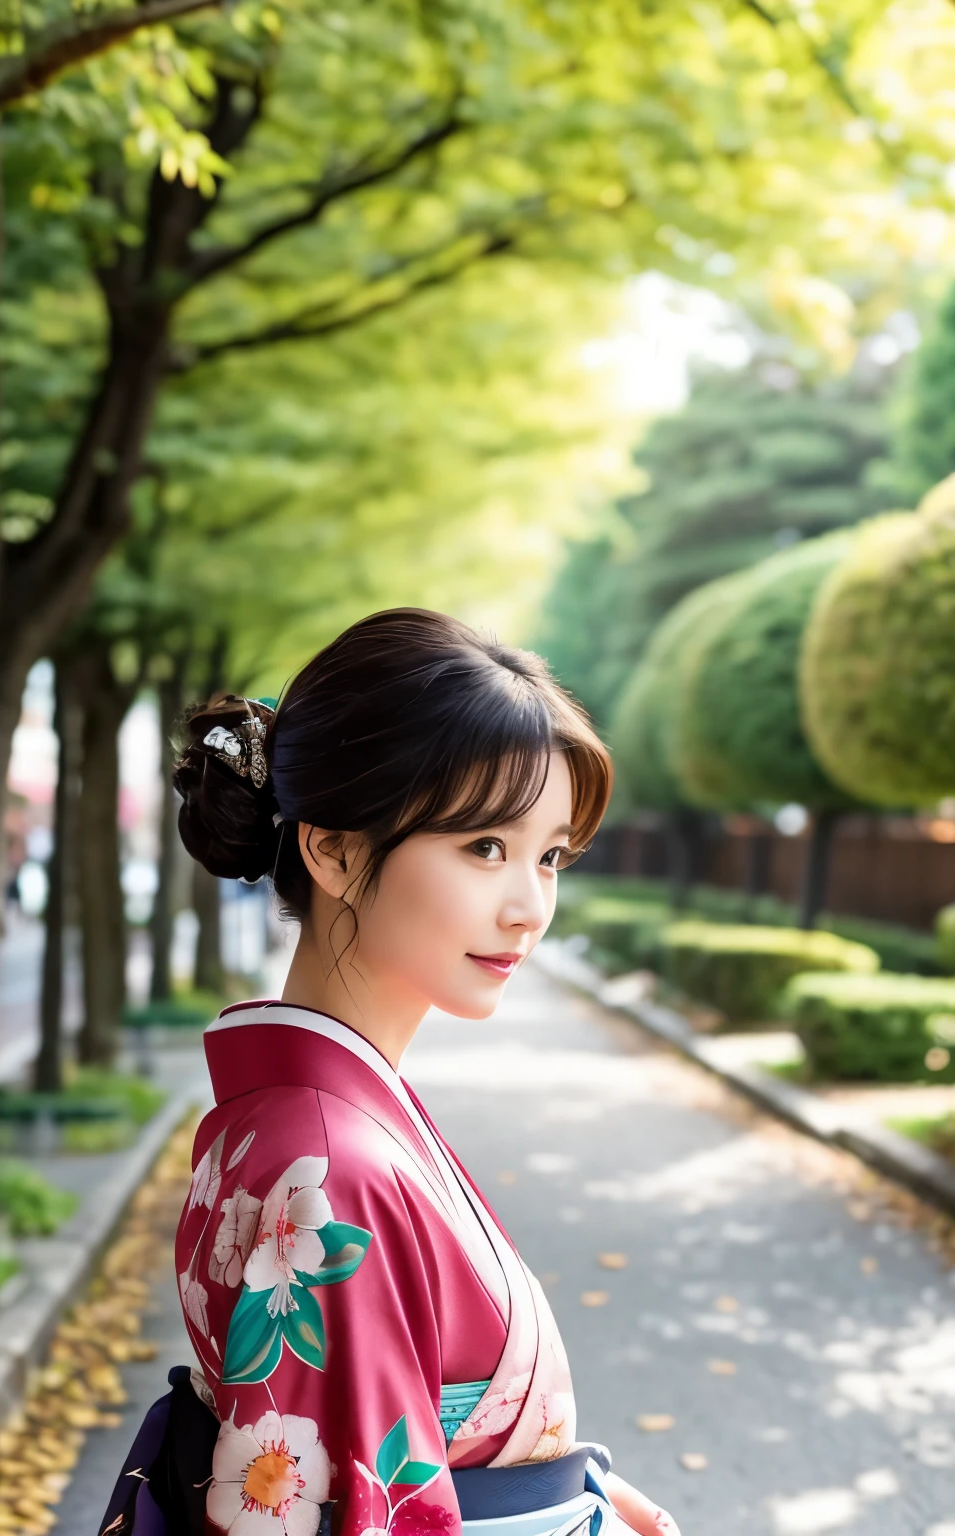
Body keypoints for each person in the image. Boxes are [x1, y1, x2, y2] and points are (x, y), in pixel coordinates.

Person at [98, 608, 681, 1536]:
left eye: (552, 856)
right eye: (484, 847)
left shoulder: (302, 1118)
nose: (531, 906)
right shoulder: (330, 1165)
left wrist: (584, 1500)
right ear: (332, 849)